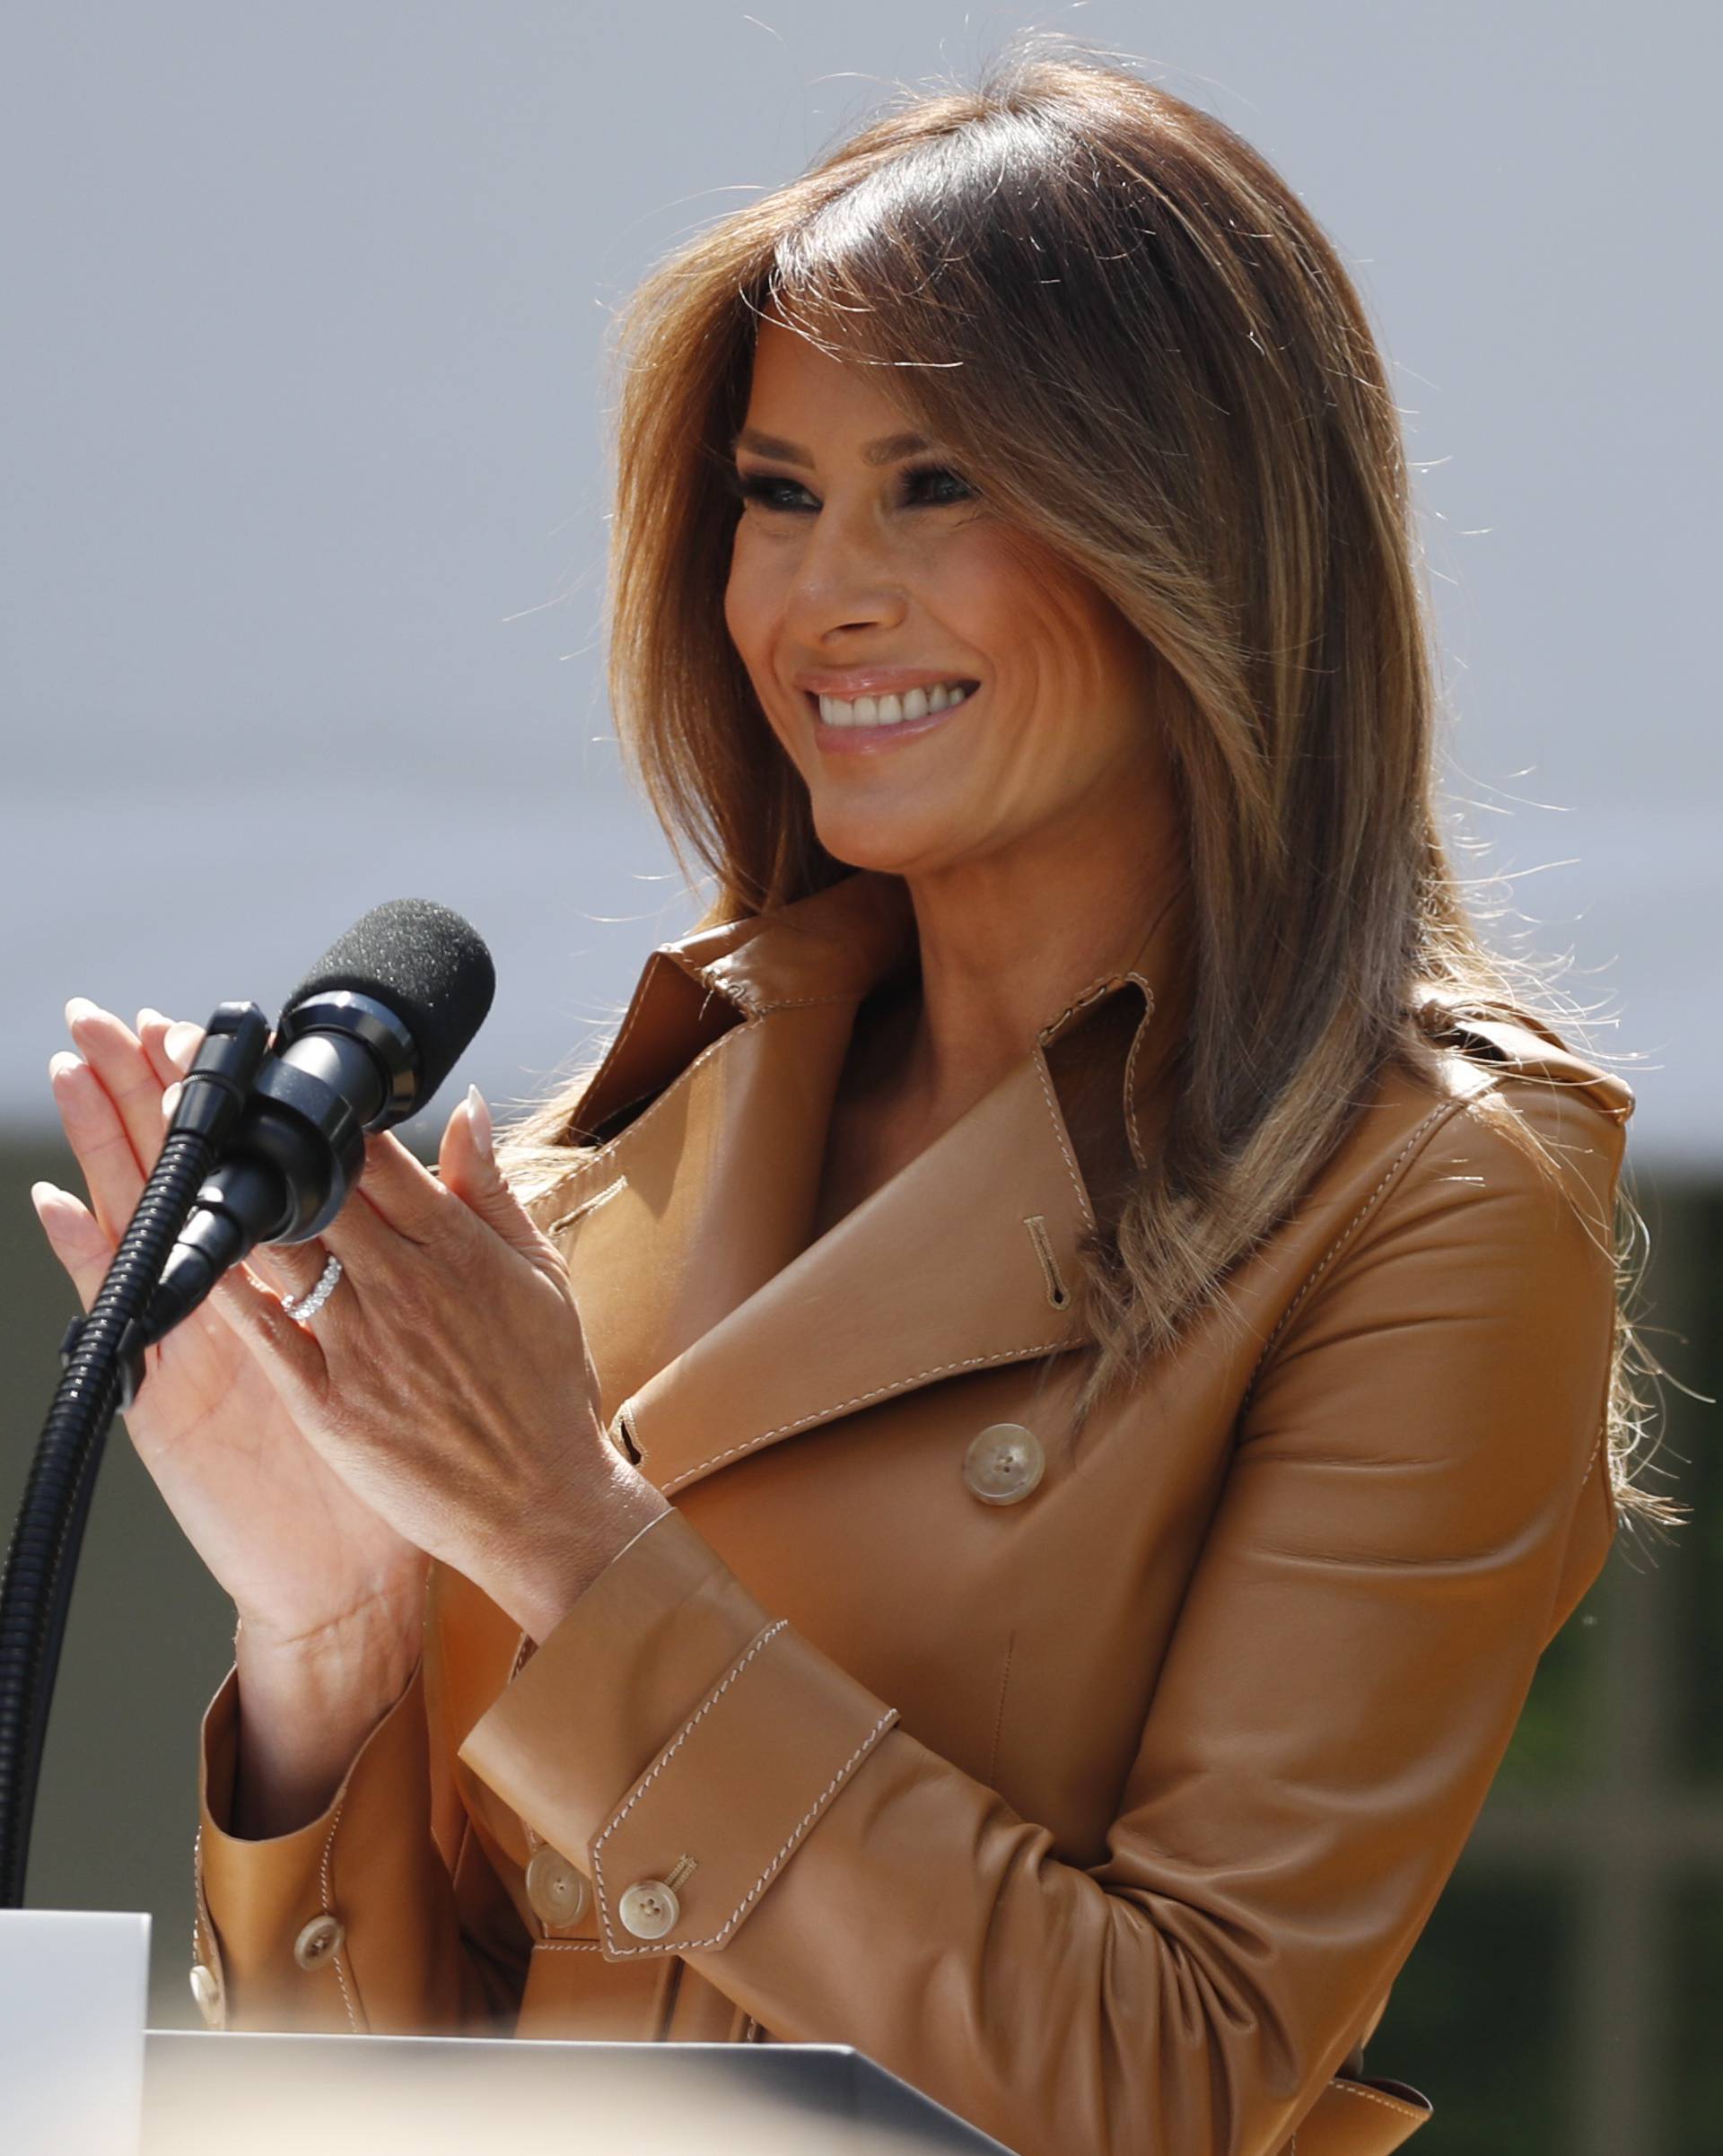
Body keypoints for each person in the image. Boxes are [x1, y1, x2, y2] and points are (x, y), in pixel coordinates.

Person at [32, 39, 1682, 2156]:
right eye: (777, 494)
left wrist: (561, 1532)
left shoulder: (1431, 1200)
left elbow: (1164, 2084)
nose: (822, 599)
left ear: (1199, 529)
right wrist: (329, 1628)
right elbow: (412, 2097)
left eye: (937, 485)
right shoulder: (632, 1146)